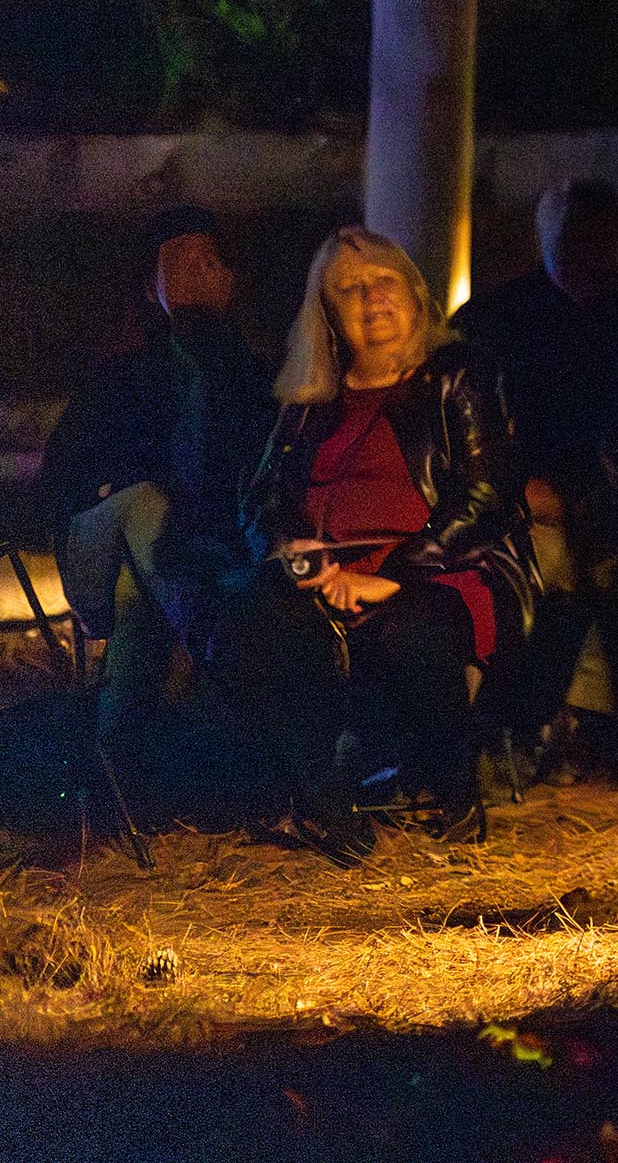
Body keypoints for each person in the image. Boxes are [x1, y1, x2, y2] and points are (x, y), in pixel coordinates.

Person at [208, 227, 533, 861]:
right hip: (328, 572)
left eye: (384, 280)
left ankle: (454, 785)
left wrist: (397, 569)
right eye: (350, 290)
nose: (372, 298)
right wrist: (297, 555)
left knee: (406, 628)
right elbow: (261, 503)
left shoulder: (455, 376)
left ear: (414, 294)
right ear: (326, 313)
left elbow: (488, 496)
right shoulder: (306, 401)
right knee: (243, 627)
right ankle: (325, 800)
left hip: (444, 564)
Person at [456, 177, 618, 807]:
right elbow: (468, 434)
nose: (588, 253)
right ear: (544, 238)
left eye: (601, 239)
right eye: (573, 238)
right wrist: (523, 489)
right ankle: (528, 737)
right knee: (567, 574)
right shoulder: (491, 323)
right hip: (525, 500)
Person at [33, 208, 270, 776]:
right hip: (104, 546)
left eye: (207, 261)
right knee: (147, 507)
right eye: (177, 264)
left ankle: (119, 760)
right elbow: (62, 486)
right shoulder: (122, 377)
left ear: (230, 280)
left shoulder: (258, 380)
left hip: (184, 562)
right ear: (152, 288)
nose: (194, 274)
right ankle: (227, 660)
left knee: (140, 591)